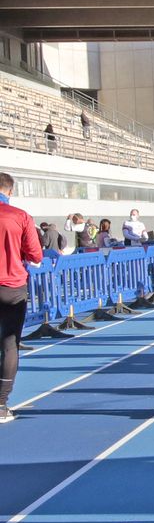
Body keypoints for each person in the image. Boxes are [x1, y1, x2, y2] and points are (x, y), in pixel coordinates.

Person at [0, 173, 41, 423]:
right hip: (12, 287)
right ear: (10, 191)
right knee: (9, 343)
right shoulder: (20, 216)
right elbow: (35, 254)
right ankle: (1, 404)